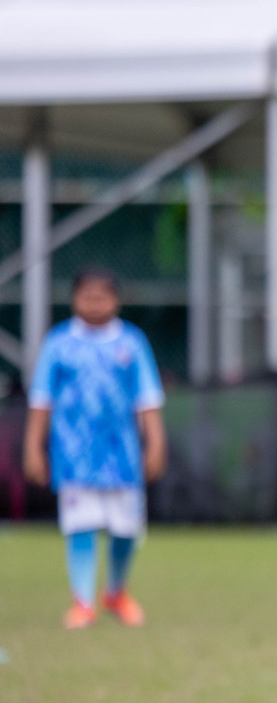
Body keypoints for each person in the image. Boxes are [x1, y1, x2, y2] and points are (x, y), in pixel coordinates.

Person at [23, 269, 166, 629]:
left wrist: (156, 444)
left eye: (102, 297)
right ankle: (83, 602)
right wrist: (33, 448)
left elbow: (147, 399)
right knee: (81, 526)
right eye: (87, 296)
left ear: (116, 300)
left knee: (125, 530)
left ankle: (116, 592)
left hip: (123, 458)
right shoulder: (59, 343)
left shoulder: (131, 343)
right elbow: (42, 399)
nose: (94, 304)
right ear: (74, 299)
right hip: (73, 457)